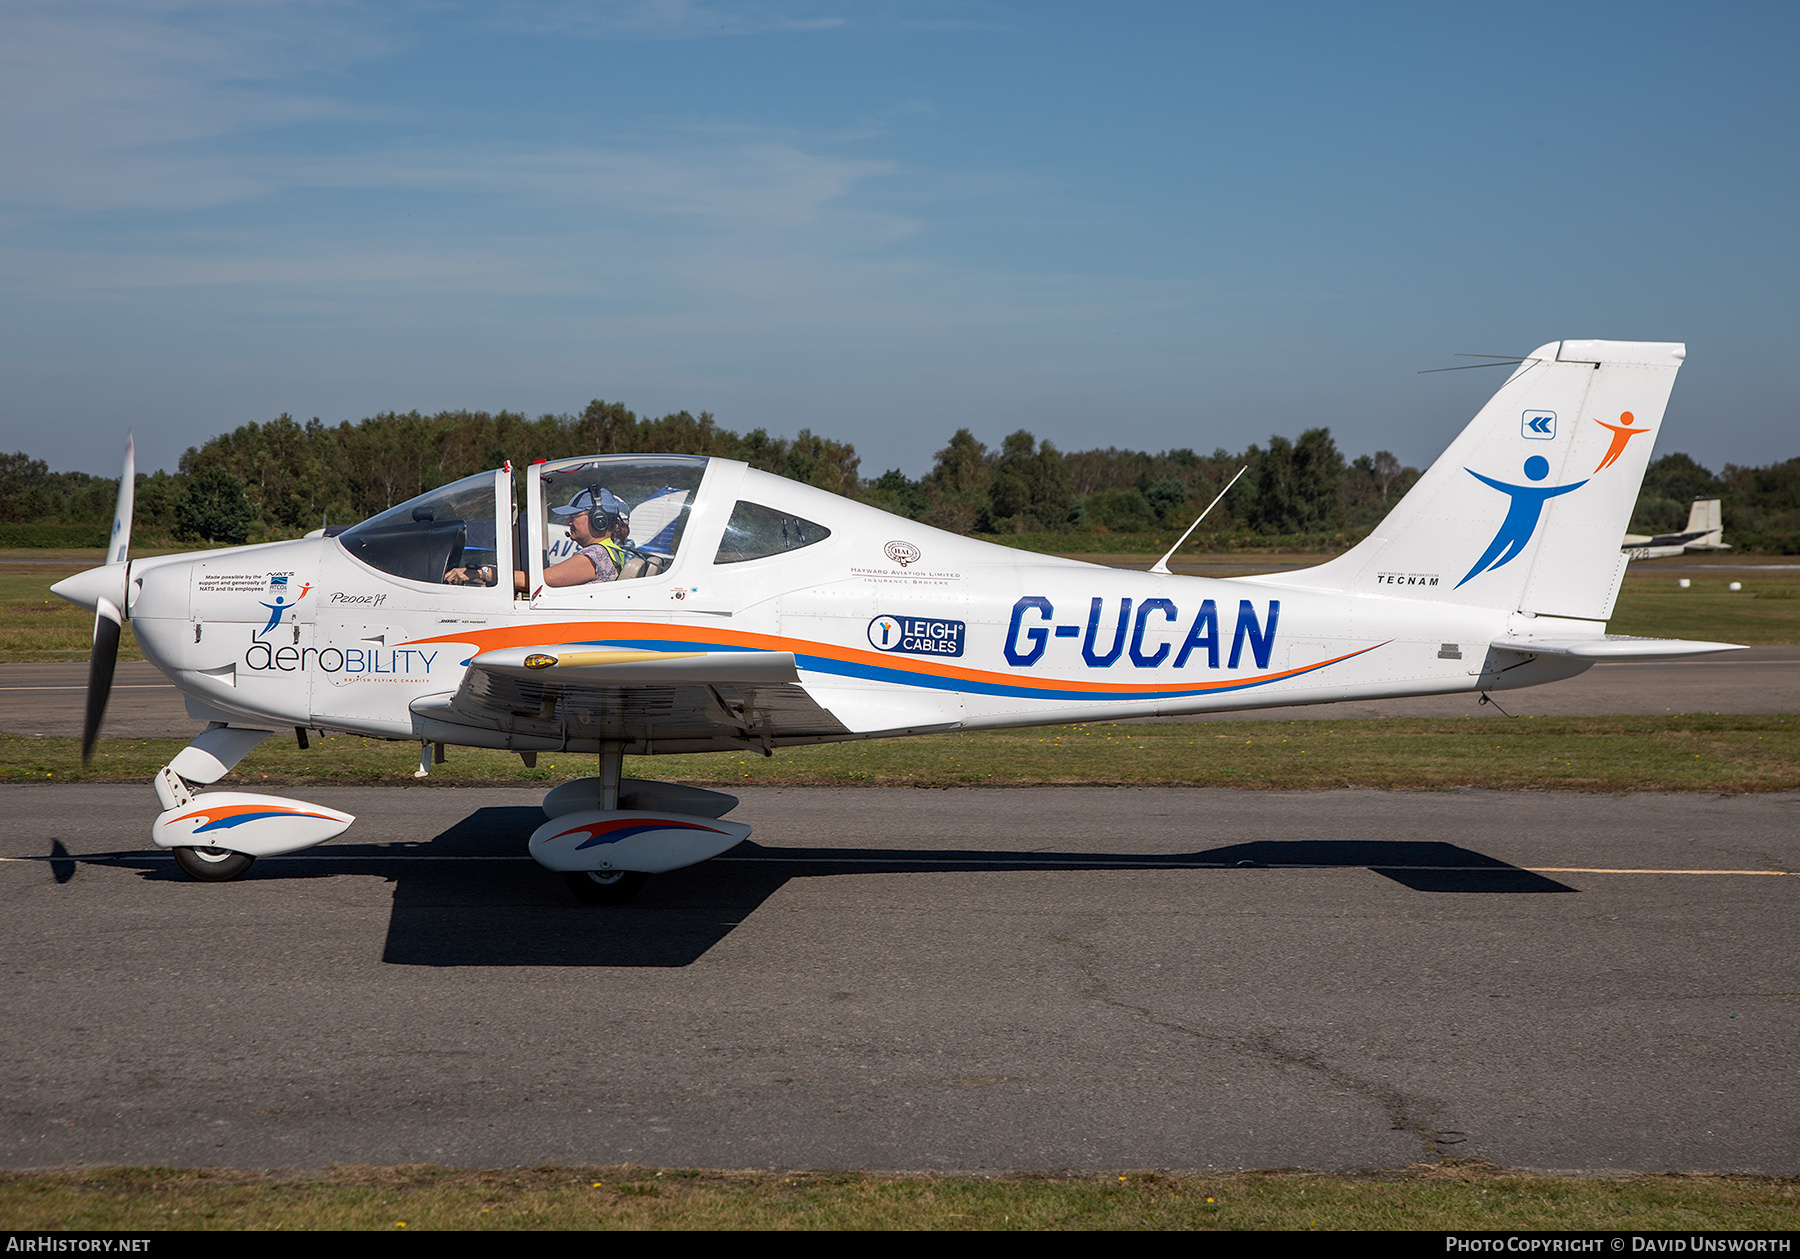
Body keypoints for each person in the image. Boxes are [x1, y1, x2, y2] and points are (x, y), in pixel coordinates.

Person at [520, 486, 631, 590]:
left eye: (574, 517)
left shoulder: (595, 555)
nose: (568, 522)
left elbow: (539, 581)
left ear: (598, 519)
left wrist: (505, 578)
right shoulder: (610, 549)